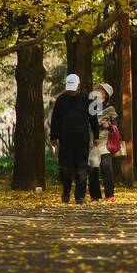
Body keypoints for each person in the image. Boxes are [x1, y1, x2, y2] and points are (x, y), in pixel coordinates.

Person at [49, 73, 98, 205]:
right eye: (69, 88)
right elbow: (55, 119)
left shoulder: (87, 99)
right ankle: (66, 190)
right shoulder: (61, 100)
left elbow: (93, 119)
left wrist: (96, 136)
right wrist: (53, 136)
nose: (71, 91)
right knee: (65, 168)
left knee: (82, 168)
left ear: (79, 86)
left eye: (73, 88)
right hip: (65, 139)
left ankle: (80, 196)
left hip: (82, 138)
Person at [87, 83, 119, 202]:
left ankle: (109, 195)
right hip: (91, 143)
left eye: (100, 90)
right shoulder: (90, 107)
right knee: (92, 170)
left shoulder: (110, 109)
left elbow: (115, 127)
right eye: (96, 89)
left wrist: (108, 125)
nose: (97, 91)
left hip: (104, 144)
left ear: (105, 94)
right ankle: (95, 196)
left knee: (106, 169)